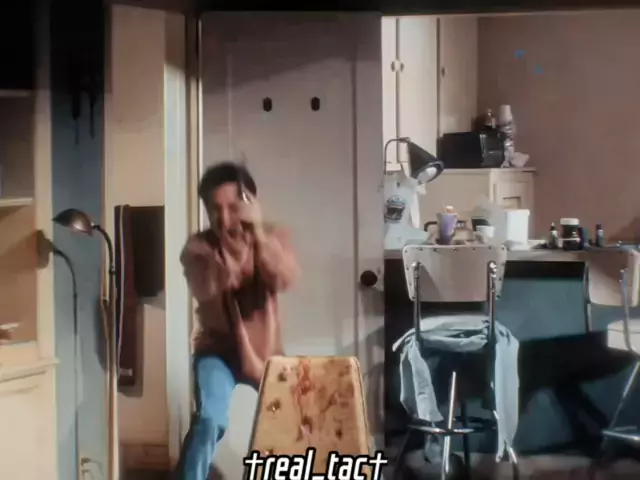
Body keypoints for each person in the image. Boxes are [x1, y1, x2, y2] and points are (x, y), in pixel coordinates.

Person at [175, 162, 299, 480]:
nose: (225, 218)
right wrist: (235, 249)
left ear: (249, 204)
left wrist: (257, 234)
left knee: (292, 422)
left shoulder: (273, 236)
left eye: (233, 207)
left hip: (267, 351)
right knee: (209, 420)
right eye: (215, 209)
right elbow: (212, 288)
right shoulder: (197, 248)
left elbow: (284, 277)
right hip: (217, 351)